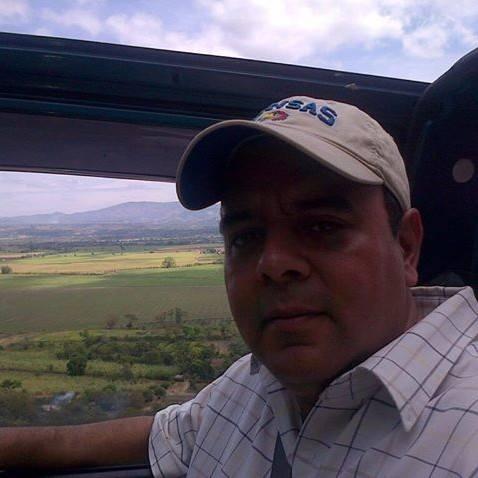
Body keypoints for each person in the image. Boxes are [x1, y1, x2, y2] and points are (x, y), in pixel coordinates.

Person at [1, 96, 478, 477]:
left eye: (321, 227)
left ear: (406, 247)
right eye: (246, 237)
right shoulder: (252, 385)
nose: (273, 265)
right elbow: (163, 437)